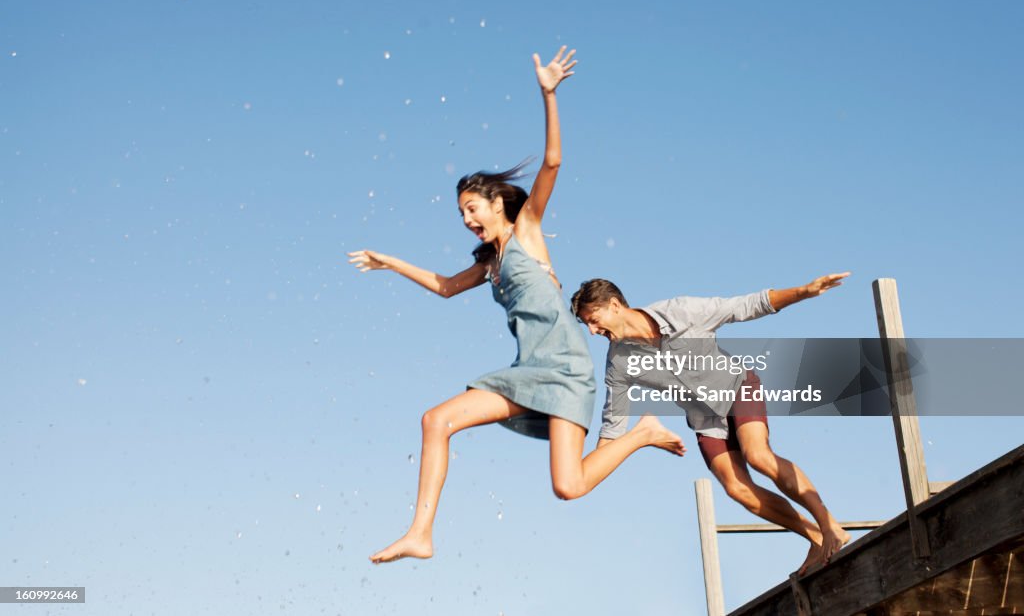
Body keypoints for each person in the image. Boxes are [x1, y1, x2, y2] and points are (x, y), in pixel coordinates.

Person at [348, 47, 684, 564]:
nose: (466, 219)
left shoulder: (527, 230)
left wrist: (548, 93)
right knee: (436, 420)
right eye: (460, 212)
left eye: (471, 208)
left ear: (497, 203)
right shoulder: (490, 264)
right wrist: (392, 262)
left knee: (568, 486)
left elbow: (552, 162)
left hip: (567, 369)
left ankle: (640, 434)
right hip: (530, 371)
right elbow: (444, 287)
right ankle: (421, 533)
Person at [570, 273, 852, 574]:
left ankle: (829, 524)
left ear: (614, 305)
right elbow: (613, 429)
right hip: (704, 418)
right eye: (587, 324)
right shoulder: (619, 362)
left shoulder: (681, 312)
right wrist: (583, 474)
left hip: (736, 386)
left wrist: (803, 291)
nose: (592, 330)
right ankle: (815, 537)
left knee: (757, 455)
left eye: (594, 320)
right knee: (737, 489)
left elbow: (743, 306)